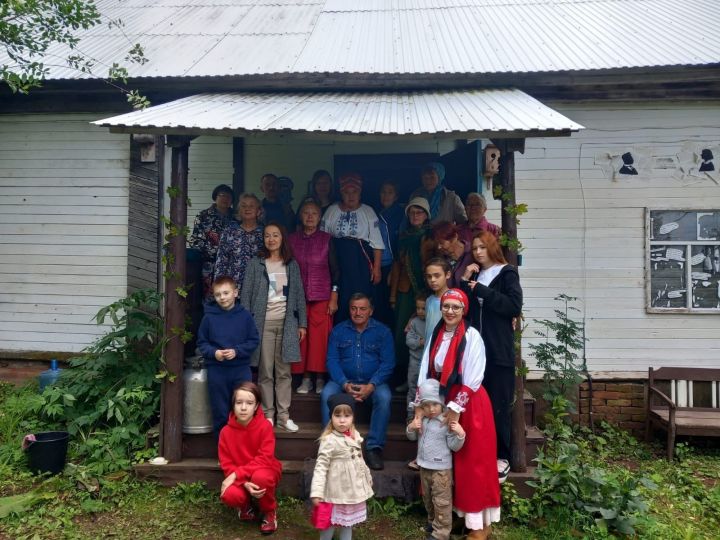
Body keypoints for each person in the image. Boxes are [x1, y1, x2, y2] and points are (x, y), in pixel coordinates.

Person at [416, 289, 500, 539]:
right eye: (446, 306)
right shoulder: (436, 334)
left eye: (456, 307)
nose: (450, 311)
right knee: (453, 465)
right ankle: (458, 518)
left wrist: (455, 410)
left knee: (474, 464)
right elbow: (425, 371)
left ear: (464, 310)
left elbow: (474, 376)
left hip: (470, 403)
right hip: (443, 400)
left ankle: (480, 526)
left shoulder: (472, 336)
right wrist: (420, 407)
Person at [460, 231, 523, 483]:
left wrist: (484, 292)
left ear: (492, 248)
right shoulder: (475, 274)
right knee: (475, 402)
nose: (478, 252)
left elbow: (514, 306)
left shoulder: (507, 272)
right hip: (475, 349)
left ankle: (502, 457)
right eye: (474, 248)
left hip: (498, 350)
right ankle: (478, 452)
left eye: (482, 247)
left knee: (498, 404)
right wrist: (465, 279)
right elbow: (460, 305)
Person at [240, 223, 307, 432]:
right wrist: (246, 325)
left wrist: (302, 323)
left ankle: (284, 416)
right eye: (267, 236)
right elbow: (246, 297)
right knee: (265, 371)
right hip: (263, 324)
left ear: (282, 238)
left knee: (284, 372)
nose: (271, 239)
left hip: (286, 324)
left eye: (275, 235)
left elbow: (299, 296)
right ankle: (268, 415)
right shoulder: (255, 264)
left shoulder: (291, 264)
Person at [321, 293, 395, 471]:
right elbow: (331, 360)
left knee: (384, 398)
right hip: (343, 381)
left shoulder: (383, 332)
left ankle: (373, 448)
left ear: (371, 311)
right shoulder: (339, 330)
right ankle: (332, 446)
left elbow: (388, 364)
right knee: (327, 395)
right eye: (354, 308)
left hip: (373, 383)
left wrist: (371, 385)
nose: (358, 312)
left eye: (362, 309)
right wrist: (344, 383)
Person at [288, 199, 339, 395]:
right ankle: (305, 378)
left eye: (314, 213)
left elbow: (336, 270)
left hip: (323, 296)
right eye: (306, 213)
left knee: (320, 339)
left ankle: (319, 378)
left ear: (320, 217)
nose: (310, 216)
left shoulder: (327, 239)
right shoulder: (292, 239)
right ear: (300, 216)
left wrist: (334, 296)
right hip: (298, 297)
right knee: (301, 338)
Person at [197, 276, 259, 435]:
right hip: (217, 371)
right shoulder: (208, 317)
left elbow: (253, 340)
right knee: (220, 410)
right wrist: (214, 353)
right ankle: (223, 452)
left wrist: (237, 351)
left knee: (243, 410)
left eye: (226, 293)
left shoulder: (245, 316)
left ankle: (243, 450)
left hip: (240, 370)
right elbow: (202, 343)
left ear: (235, 293)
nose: (222, 297)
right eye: (218, 294)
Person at [219, 382, 282, 535]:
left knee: (260, 478)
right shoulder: (225, 432)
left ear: (256, 406)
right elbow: (227, 464)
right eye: (239, 402)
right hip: (242, 476)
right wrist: (244, 482)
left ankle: (269, 511)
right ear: (233, 405)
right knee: (229, 494)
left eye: (249, 403)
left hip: (264, 470)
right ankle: (245, 505)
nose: (243, 407)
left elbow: (264, 458)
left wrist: (236, 476)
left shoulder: (265, 426)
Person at [320, 173, 384, 323]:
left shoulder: (368, 211)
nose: (351, 196)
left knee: (360, 294)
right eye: (346, 192)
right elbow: (322, 240)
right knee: (339, 293)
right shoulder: (331, 210)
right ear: (341, 193)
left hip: (360, 259)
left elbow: (376, 242)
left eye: (354, 192)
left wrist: (377, 268)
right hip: (337, 257)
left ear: (360, 193)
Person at [407, 378, 466, 540]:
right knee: (428, 499)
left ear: (442, 404)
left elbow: (454, 446)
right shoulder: (423, 421)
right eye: (426, 406)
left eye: (434, 404)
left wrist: (460, 434)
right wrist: (411, 427)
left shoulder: (446, 423)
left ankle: (441, 533)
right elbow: (411, 437)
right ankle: (433, 522)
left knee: (442, 502)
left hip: (441, 471)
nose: (431, 409)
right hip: (424, 467)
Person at [310, 393, 374, 540]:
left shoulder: (354, 435)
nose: (342, 420)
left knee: (347, 523)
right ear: (331, 417)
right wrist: (317, 491)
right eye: (337, 415)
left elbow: (360, 459)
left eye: (347, 415)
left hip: (352, 491)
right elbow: (321, 467)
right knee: (329, 522)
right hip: (334, 492)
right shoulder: (329, 440)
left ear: (353, 417)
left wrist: (367, 477)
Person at [390, 196, 435, 390]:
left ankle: (423, 379)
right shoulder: (403, 236)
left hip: (424, 290)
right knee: (404, 333)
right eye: (412, 212)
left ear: (426, 215)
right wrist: (393, 295)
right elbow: (398, 265)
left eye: (419, 212)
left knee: (426, 331)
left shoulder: (430, 237)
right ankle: (404, 378)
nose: (415, 216)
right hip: (405, 291)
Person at [189, 184, 235, 299]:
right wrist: (213, 252)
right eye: (222, 195)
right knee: (210, 296)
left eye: (228, 197)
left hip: (232, 264)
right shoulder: (204, 216)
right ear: (215, 197)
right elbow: (195, 240)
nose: (225, 199)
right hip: (210, 264)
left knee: (230, 296)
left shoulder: (236, 217)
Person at [214, 193, 264, 288]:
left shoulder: (265, 233)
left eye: (251, 206)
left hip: (258, 287)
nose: (247, 208)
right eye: (243, 205)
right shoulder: (229, 231)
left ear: (258, 211)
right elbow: (221, 261)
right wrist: (219, 284)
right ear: (239, 211)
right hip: (233, 287)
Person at [374, 180, 404, 327]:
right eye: (383, 192)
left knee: (391, 307)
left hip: (393, 266)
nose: (386, 195)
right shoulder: (376, 213)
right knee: (379, 305)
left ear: (396, 196)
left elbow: (400, 244)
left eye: (390, 192)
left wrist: (394, 267)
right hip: (378, 265)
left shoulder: (400, 215)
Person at [405, 294, 427, 421]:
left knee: (426, 389)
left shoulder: (434, 321)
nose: (420, 311)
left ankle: (424, 416)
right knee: (413, 387)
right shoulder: (414, 322)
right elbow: (409, 340)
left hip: (428, 362)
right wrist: (419, 342)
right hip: (415, 361)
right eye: (418, 308)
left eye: (423, 309)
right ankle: (410, 415)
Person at [433, 221, 473, 288]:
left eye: (441, 243)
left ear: (454, 238)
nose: (438, 247)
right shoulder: (440, 258)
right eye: (437, 243)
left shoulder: (472, 253)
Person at [423, 258, 452, 346]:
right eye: (429, 276)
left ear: (447, 274)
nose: (432, 280)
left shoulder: (453, 300)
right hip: (428, 348)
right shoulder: (429, 300)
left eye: (437, 276)